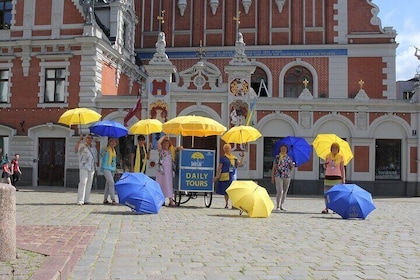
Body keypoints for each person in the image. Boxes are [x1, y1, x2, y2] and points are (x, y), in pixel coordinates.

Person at [213, 143, 244, 209]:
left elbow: (240, 164)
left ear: (230, 149)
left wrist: (242, 157)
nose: (227, 149)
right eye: (225, 148)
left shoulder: (234, 158)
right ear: (224, 149)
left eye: (228, 148)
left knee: (233, 191)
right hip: (225, 177)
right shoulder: (223, 158)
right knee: (226, 191)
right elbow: (219, 168)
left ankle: (233, 204)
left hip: (232, 177)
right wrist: (217, 176)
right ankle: (226, 203)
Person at [322, 142, 345, 214]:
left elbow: (342, 168)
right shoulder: (327, 156)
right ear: (331, 149)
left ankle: (335, 208)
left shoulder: (341, 157)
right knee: (327, 193)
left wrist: (343, 178)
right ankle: (326, 208)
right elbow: (325, 167)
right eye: (333, 148)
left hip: (337, 177)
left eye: (336, 148)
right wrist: (325, 164)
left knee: (336, 194)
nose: (334, 149)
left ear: (338, 149)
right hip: (328, 176)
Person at [75, 133, 98, 205]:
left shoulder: (93, 148)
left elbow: (95, 158)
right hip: (84, 166)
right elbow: (76, 150)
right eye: (88, 138)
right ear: (85, 138)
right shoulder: (82, 146)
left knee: (89, 183)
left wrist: (95, 166)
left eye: (91, 138)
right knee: (83, 182)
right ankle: (80, 200)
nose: (90, 139)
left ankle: (86, 199)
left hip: (91, 167)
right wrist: (79, 140)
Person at [271, 145, 294, 211]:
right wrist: (272, 177)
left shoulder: (289, 158)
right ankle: (277, 206)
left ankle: (282, 205)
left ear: (287, 150)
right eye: (282, 149)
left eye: (285, 149)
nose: (283, 150)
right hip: (278, 175)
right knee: (280, 191)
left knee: (285, 191)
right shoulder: (277, 157)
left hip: (287, 176)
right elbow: (274, 167)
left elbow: (291, 168)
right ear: (280, 149)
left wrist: (292, 165)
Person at [156, 134, 176, 207]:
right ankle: (162, 200)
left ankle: (171, 200)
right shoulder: (161, 151)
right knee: (161, 184)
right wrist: (164, 137)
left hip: (168, 171)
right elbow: (158, 143)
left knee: (169, 184)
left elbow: (177, 149)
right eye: (164, 143)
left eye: (167, 143)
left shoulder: (170, 152)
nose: (166, 145)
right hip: (161, 171)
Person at [101, 138, 119, 205]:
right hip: (106, 167)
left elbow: (114, 161)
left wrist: (116, 169)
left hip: (112, 169)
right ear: (109, 142)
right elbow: (101, 155)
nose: (113, 143)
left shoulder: (114, 151)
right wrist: (104, 151)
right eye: (112, 142)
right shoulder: (105, 148)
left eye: (115, 142)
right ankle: (113, 199)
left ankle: (105, 199)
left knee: (108, 184)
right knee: (111, 182)